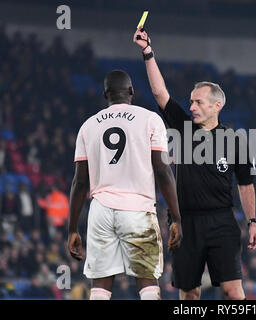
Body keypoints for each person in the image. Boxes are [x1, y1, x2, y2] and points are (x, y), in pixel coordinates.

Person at [133, 28, 256, 300]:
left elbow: (246, 185)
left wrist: (252, 222)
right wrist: (147, 52)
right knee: (189, 294)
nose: (191, 106)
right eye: (190, 102)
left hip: (222, 221)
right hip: (185, 222)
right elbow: (160, 93)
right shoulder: (184, 128)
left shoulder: (235, 140)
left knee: (233, 292)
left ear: (216, 106)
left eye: (198, 102)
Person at [67, 70, 182, 300]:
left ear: (105, 94)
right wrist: (177, 217)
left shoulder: (88, 126)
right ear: (131, 91)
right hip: (137, 209)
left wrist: (72, 229)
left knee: (100, 284)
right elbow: (162, 171)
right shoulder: (149, 119)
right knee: (147, 280)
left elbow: (80, 183)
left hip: (100, 210)